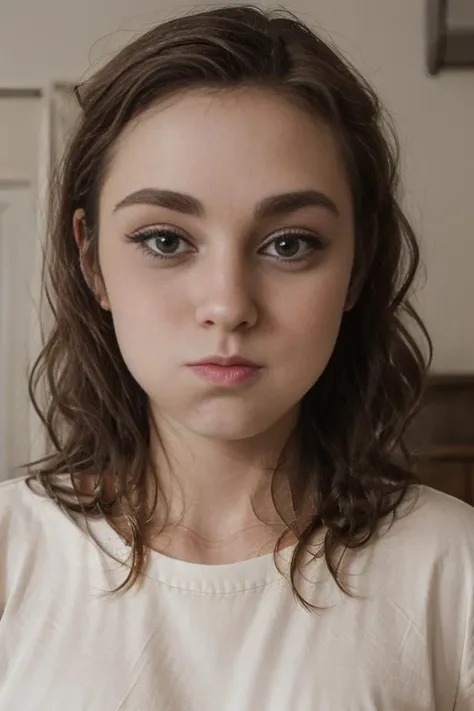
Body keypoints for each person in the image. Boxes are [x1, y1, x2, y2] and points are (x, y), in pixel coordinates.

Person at [0, 4, 473, 709]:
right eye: (165, 240)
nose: (228, 304)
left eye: (289, 243)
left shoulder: (453, 567)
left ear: (359, 261)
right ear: (91, 258)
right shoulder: (11, 554)